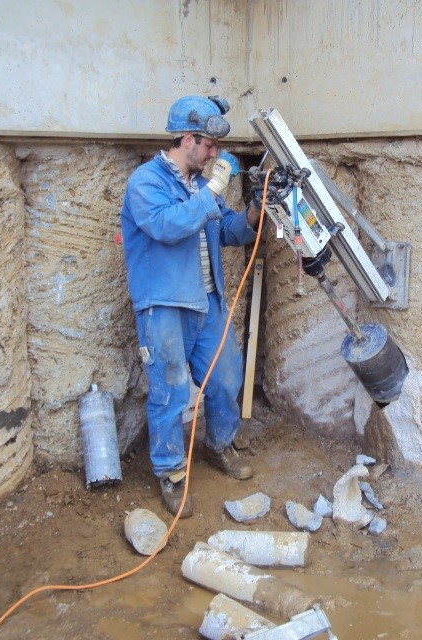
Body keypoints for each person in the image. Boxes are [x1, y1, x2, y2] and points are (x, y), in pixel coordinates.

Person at [120, 95, 260, 516]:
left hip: (206, 300)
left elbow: (228, 231)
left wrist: (255, 210)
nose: (215, 154)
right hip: (164, 306)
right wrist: (214, 189)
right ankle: (171, 471)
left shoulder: (200, 186)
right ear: (187, 140)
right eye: (209, 146)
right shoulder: (145, 182)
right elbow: (167, 226)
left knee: (226, 377)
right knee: (171, 390)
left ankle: (219, 444)